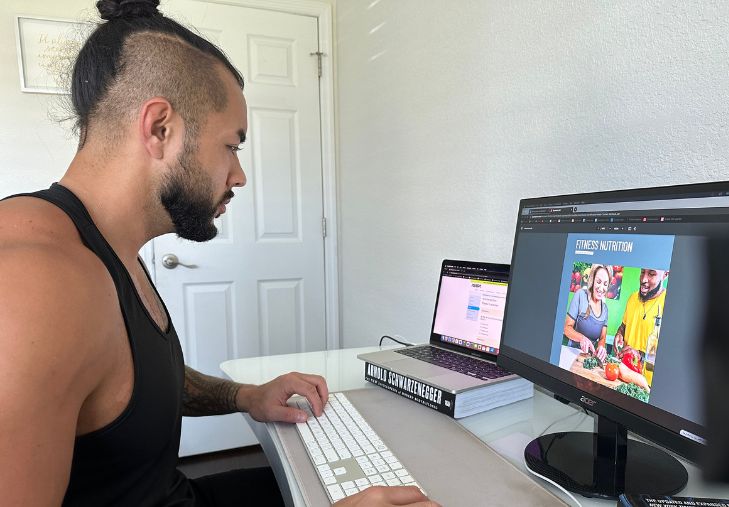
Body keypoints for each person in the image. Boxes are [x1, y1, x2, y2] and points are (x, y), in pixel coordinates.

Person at [0, 1, 439, 506]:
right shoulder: (35, 282)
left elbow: (132, 386)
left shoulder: (106, 248)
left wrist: (245, 396)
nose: (239, 176)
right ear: (160, 128)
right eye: (232, 146)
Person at [564, 264, 611, 362]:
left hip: (589, 358)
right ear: (592, 280)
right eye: (598, 282)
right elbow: (566, 328)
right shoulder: (580, 295)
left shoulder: (605, 309)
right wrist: (582, 338)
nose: (601, 288)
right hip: (572, 354)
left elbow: (602, 337)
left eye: (605, 284)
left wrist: (601, 347)